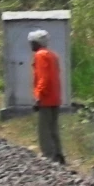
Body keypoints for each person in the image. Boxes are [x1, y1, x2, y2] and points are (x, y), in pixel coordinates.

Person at [28, 29, 65, 164]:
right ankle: (58, 154)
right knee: (53, 128)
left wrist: (38, 97)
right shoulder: (53, 55)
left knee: (44, 130)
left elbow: (44, 78)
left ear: (37, 43)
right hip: (55, 97)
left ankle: (48, 156)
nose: (30, 45)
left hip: (46, 98)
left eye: (32, 43)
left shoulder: (40, 55)